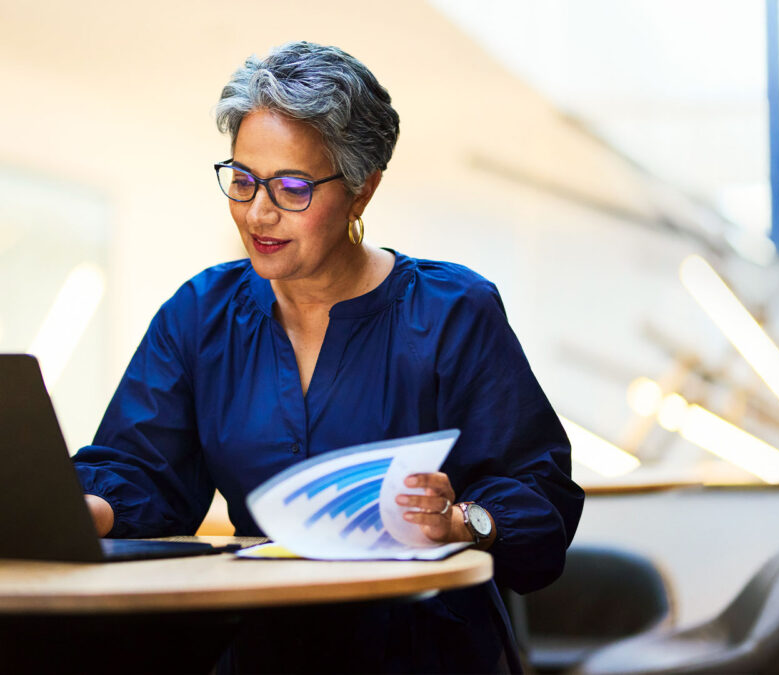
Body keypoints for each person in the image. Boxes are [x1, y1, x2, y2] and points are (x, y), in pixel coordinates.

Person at [71, 41, 584, 673]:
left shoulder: (452, 310)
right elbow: (143, 475)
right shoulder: (200, 314)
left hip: (420, 651)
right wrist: (76, 512)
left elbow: (541, 494)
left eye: (291, 187)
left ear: (362, 190)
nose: (259, 212)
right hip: (259, 647)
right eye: (242, 180)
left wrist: (462, 522)